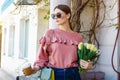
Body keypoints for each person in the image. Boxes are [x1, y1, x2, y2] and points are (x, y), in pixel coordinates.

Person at [32, 4, 93, 80]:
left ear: (68, 15)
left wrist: (88, 64)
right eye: (53, 16)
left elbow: (80, 59)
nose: (56, 18)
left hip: (73, 74)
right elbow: (42, 56)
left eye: (58, 15)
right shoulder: (50, 33)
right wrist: (35, 68)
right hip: (54, 74)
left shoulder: (78, 37)